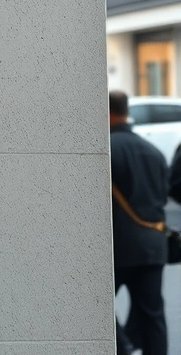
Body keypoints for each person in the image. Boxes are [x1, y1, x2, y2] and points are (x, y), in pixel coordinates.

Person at [111, 90, 168, 355]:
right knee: (153, 315)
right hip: (153, 246)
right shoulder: (154, 151)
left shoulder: (106, 150)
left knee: (92, 308)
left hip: (118, 247)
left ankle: (123, 347)